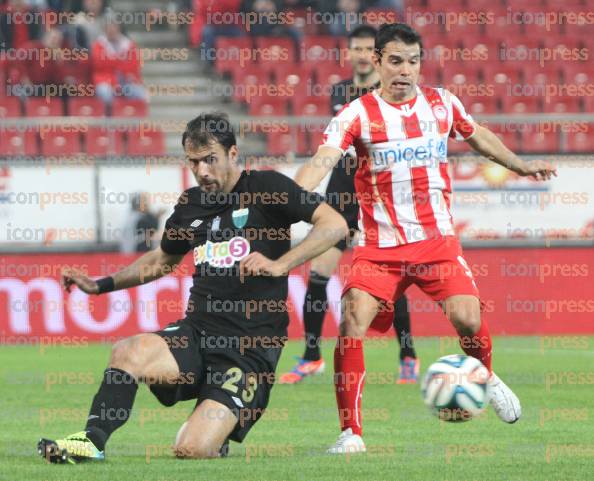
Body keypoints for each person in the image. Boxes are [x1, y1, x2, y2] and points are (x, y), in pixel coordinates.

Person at [295, 23, 557, 454]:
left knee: (468, 319)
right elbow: (321, 160)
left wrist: (520, 165)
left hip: (436, 243)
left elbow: (479, 137)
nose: (406, 70)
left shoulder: (441, 104)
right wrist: (292, 199)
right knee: (351, 321)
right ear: (377, 61)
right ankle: (351, 434)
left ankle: (485, 376)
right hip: (379, 248)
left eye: (413, 61)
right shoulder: (357, 113)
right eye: (396, 61)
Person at [37, 112, 348, 463]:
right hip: (197, 334)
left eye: (210, 160)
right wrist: (100, 285)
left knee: (191, 449)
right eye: (193, 162)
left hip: (248, 351)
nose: (202, 171)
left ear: (233, 154)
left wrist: (282, 264)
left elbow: (334, 224)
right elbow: (162, 260)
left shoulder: (267, 188)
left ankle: (219, 427)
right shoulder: (191, 204)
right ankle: (91, 441)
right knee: (128, 351)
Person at [279, 25, 419, 385]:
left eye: (366, 49)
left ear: (376, 55)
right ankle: (312, 356)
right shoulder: (340, 91)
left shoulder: (390, 93)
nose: (359, 54)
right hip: (340, 197)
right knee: (318, 274)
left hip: (376, 199)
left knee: (391, 283)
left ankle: (407, 354)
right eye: (354, 48)